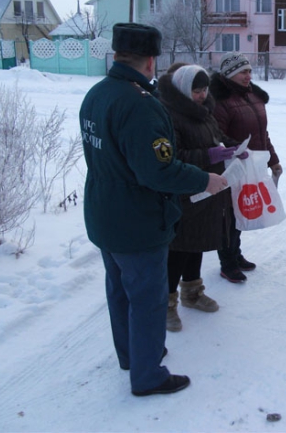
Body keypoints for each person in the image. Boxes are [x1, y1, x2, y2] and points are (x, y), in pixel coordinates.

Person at [79, 23, 227, 396]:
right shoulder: (139, 105)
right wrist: (203, 180)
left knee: (120, 291)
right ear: (150, 61)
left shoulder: (97, 94)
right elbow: (157, 170)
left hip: (104, 215)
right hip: (137, 221)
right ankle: (148, 376)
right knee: (147, 299)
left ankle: (133, 354)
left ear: (117, 55)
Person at [158, 63, 246, 331]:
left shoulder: (204, 110)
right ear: (184, 89)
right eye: (197, 90)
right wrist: (207, 156)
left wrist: (232, 147)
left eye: (205, 88)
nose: (202, 94)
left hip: (206, 189)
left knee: (198, 242)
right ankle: (167, 304)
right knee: (179, 249)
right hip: (184, 191)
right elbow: (172, 157)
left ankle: (192, 292)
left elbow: (216, 136)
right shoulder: (169, 114)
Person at [209, 52, 282, 282]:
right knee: (228, 215)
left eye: (249, 70)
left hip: (253, 163)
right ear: (230, 74)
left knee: (242, 209)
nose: (247, 75)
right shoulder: (220, 100)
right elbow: (215, 135)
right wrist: (238, 150)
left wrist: (273, 159)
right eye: (242, 71)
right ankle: (227, 263)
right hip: (232, 165)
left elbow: (262, 133)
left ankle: (236, 254)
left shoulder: (253, 96)